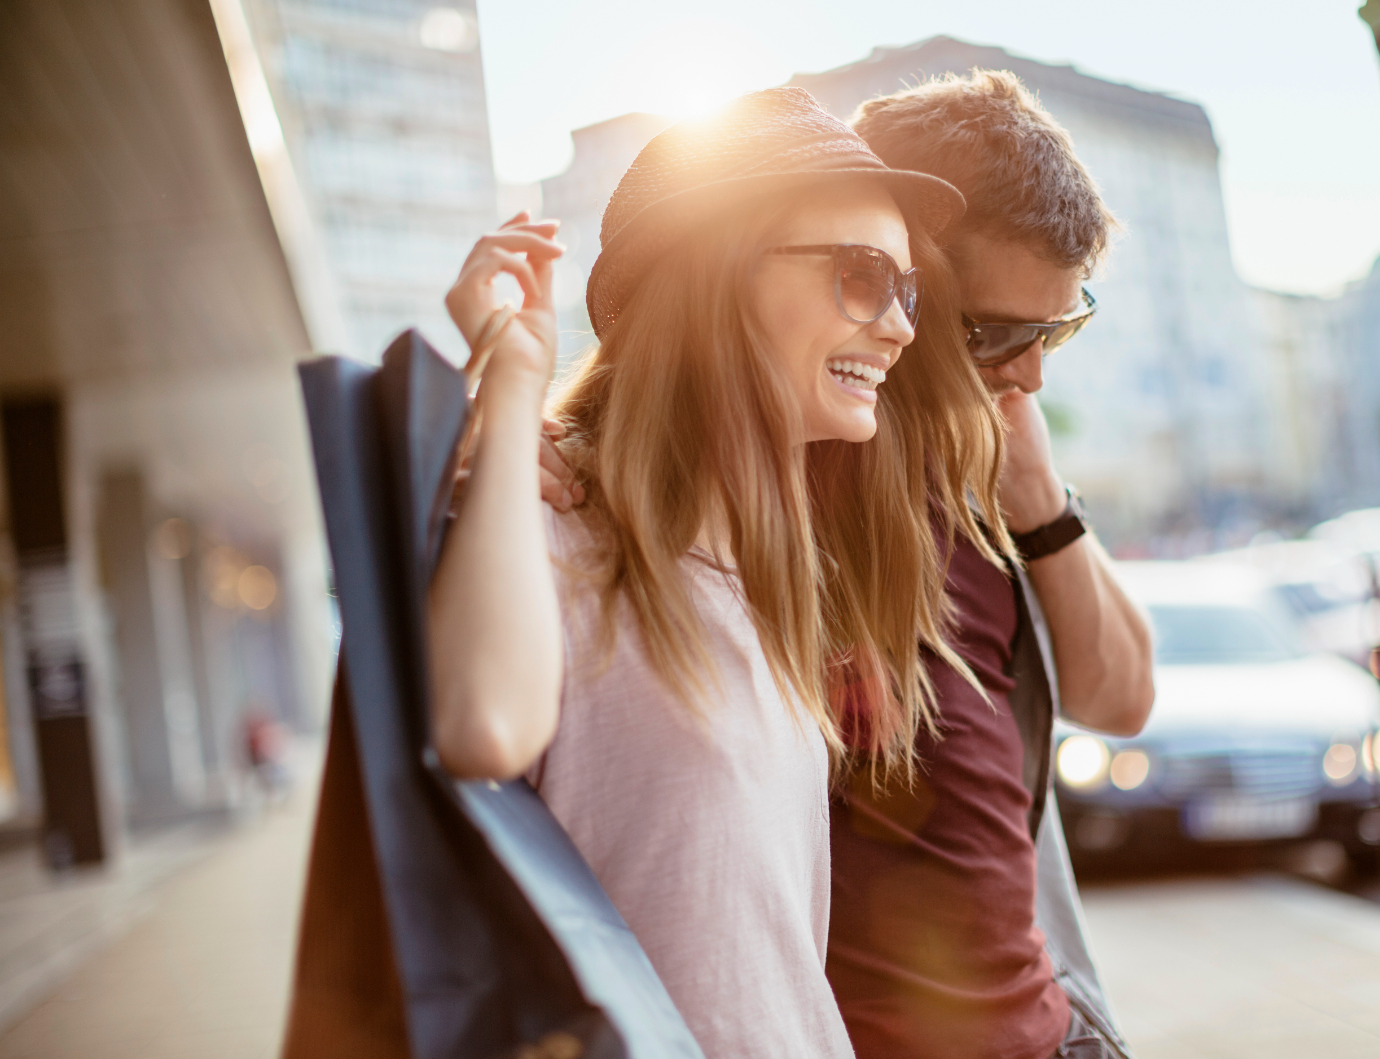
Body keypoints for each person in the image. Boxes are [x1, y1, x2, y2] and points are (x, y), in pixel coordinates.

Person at [425, 87, 1007, 1059]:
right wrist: (519, 379)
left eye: (906, 289)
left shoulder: (769, 574)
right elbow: (481, 724)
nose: (900, 327)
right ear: (717, 277)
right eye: (863, 275)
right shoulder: (562, 523)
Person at [820, 71, 1157, 1059]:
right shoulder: (778, 472)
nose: (1032, 373)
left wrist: (1041, 506)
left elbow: (1119, 696)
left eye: (1059, 326)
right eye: (999, 332)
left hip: (1048, 1023)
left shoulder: (985, 471)